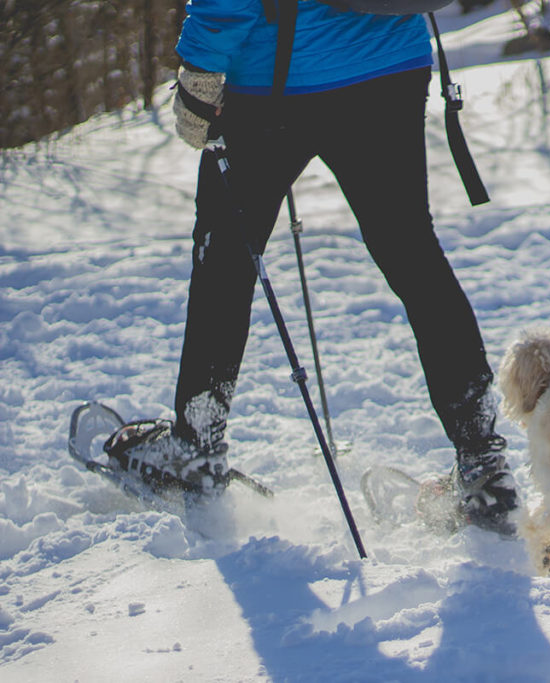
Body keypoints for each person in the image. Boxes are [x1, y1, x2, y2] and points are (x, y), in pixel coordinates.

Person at [103, 1, 518, 535]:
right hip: (389, 64)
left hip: (272, 81)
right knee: (413, 253)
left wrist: (202, 67)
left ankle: (196, 447)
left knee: (226, 260)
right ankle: (483, 465)